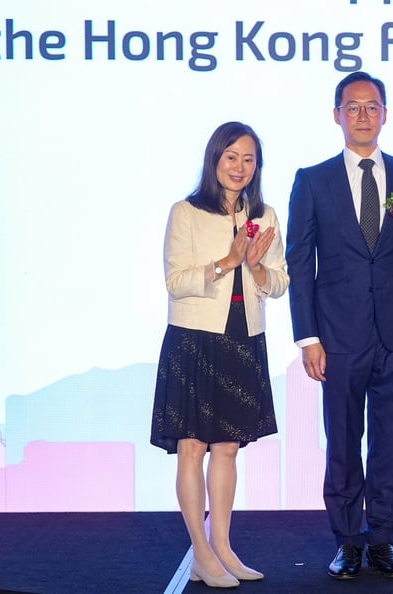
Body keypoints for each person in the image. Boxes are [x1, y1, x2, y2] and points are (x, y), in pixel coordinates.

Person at [286, 71, 393, 580]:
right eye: (352, 107)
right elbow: (299, 262)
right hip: (338, 337)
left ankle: (383, 540)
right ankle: (348, 541)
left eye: (371, 107)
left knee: (391, 443)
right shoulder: (313, 180)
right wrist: (308, 336)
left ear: (385, 114)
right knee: (344, 442)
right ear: (337, 115)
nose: (362, 116)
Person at [151, 121, 289, 588]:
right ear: (214, 160)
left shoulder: (265, 215)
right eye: (231, 157)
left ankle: (223, 546)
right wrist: (228, 262)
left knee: (228, 448)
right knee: (191, 448)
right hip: (193, 339)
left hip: (242, 338)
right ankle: (201, 552)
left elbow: (280, 283)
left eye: (249, 159)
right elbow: (175, 282)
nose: (240, 167)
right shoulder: (186, 213)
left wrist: (255, 267)